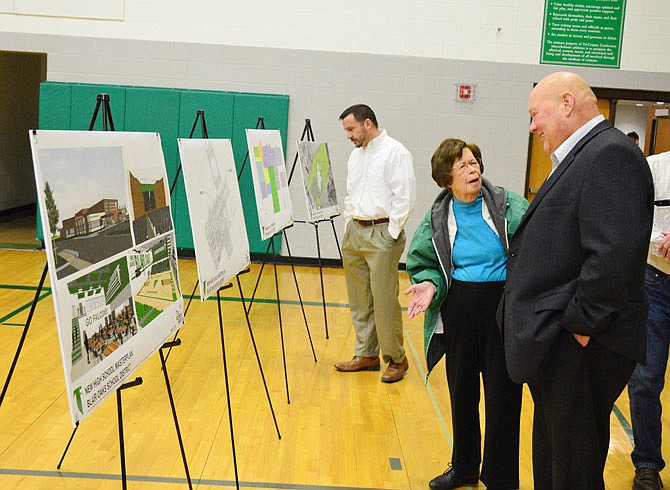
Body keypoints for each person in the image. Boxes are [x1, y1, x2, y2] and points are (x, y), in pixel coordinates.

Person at [502, 71, 655, 489]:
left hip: (582, 344)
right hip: (562, 341)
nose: (532, 126)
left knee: (573, 465)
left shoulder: (610, 155)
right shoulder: (583, 154)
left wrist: (581, 327)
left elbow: (611, 256)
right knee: (555, 455)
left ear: (567, 104)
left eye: (536, 114)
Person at [404, 138, 528, 490]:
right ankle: (464, 468)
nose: (472, 170)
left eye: (474, 162)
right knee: (462, 393)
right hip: (459, 306)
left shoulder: (508, 204)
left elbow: (533, 246)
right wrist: (429, 284)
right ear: (446, 178)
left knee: (504, 396)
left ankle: (501, 477)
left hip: (501, 308)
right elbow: (424, 262)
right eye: (462, 166)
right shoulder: (437, 216)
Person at [334, 104, 416, 383]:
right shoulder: (355, 157)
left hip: (381, 234)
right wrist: (349, 225)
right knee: (359, 301)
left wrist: (391, 233)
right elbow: (351, 193)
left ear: (367, 124)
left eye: (350, 129)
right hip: (355, 232)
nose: (348, 135)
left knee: (383, 302)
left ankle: (397, 359)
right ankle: (366, 354)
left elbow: (405, 198)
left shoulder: (396, 152)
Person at [627, 150, 670, 490]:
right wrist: (662, 242)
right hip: (654, 282)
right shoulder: (653, 167)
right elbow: (634, 217)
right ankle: (646, 463)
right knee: (645, 378)